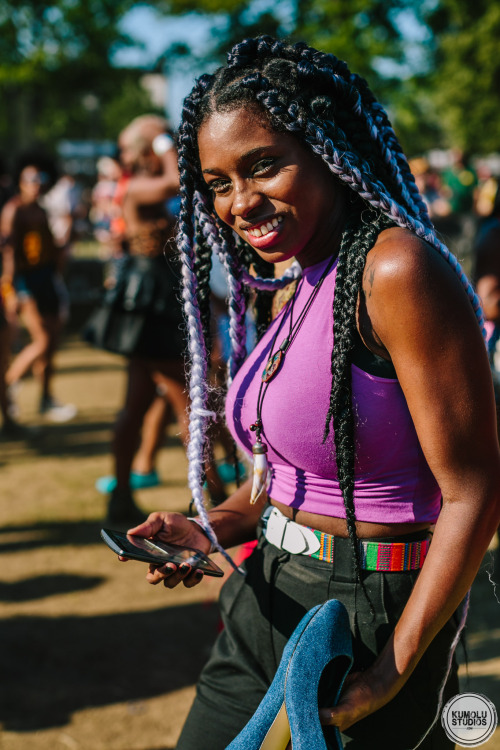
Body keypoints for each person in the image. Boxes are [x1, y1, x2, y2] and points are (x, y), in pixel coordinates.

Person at [123, 38, 500, 749]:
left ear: (327, 150)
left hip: (377, 611)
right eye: (218, 181)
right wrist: (211, 529)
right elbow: (290, 478)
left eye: (264, 164)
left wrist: (392, 670)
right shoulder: (294, 274)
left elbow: (475, 490)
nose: (240, 201)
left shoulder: (395, 270)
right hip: (266, 586)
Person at [98, 114, 226, 523]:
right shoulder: (136, 187)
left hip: (156, 303)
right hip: (150, 308)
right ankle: (217, 501)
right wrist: (163, 143)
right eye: (157, 145)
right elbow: (176, 180)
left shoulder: (143, 188)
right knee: (187, 404)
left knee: (137, 405)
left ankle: (120, 495)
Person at [0, 163, 76, 422]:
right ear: (21, 182)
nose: (36, 184)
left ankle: (45, 398)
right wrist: (9, 288)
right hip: (25, 281)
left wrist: (67, 240)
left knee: (51, 344)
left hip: (45, 278)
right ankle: (8, 383)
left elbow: (52, 248)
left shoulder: (41, 211)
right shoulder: (14, 211)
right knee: (41, 340)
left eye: (39, 179)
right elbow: (9, 253)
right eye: (31, 179)